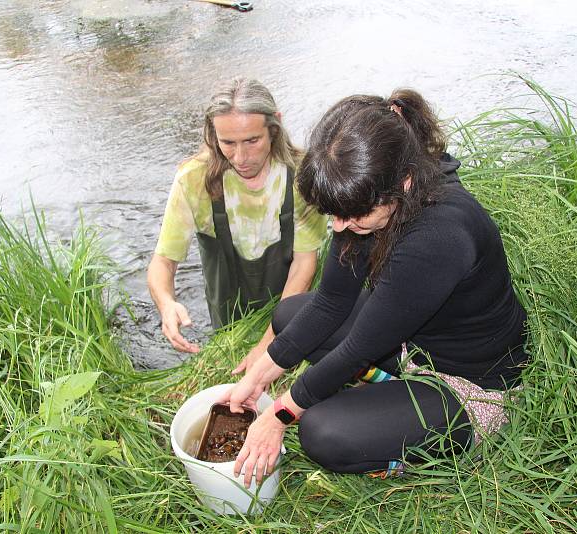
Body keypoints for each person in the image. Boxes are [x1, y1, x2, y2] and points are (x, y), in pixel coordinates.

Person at [220, 89, 529, 485]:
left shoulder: (440, 235)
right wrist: (260, 374)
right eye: (333, 214)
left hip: (471, 382)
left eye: (350, 216)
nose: (339, 228)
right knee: (290, 316)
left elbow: (356, 349)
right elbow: (332, 301)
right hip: (410, 342)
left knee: (321, 432)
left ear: (403, 183)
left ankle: (433, 445)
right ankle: (392, 391)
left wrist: (279, 413)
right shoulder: (366, 194)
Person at [147, 78, 328, 371]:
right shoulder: (193, 180)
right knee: (228, 363)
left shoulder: (303, 177)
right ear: (212, 133)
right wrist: (167, 304)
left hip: (290, 305)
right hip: (227, 314)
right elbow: (163, 261)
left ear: (275, 127)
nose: (241, 158)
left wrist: (270, 342)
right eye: (227, 143)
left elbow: (304, 264)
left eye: (252, 141)